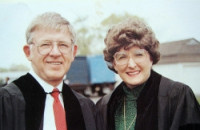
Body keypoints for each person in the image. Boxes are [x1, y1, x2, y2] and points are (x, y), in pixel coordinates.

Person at [96, 17, 200, 130]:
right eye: (122, 57)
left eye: (139, 55)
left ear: (151, 58)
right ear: (114, 63)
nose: (131, 64)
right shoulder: (104, 106)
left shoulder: (178, 96)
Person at [0, 12, 96, 130]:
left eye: (63, 45)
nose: (55, 53)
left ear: (73, 52)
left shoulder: (85, 107)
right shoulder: (5, 102)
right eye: (45, 44)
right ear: (28, 52)